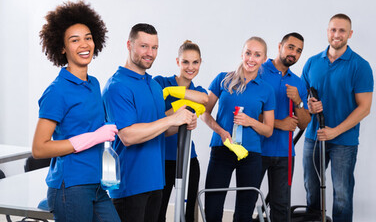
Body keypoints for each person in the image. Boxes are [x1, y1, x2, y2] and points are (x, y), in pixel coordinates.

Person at [32, 0, 121, 222]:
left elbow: (89, 124)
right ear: (62, 48)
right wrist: (92, 137)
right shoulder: (57, 92)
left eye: (88, 37)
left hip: (97, 184)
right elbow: (39, 149)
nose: (84, 44)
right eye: (75, 40)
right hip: (71, 187)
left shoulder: (94, 84)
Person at [103, 23, 197, 222]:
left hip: (156, 181)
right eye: (144, 46)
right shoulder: (117, 86)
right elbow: (127, 136)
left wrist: (181, 123)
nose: (150, 53)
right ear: (129, 45)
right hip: (130, 185)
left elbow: (159, 131)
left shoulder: (153, 86)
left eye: (154, 48)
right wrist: (171, 118)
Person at [301, 13, 374, 222]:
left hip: (344, 141)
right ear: (327, 32)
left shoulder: (360, 66)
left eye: (342, 30)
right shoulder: (312, 62)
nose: (337, 34)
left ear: (350, 34)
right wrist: (309, 105)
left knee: (342, 195)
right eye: (333, 29)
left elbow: (364, 108)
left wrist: (335, 131)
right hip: (313, 138)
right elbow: (302, 98)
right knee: (312, 190)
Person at [201, 37, 276, 222]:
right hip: (222, 149)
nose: (251, 58)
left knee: (244, 212)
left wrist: (251, 121)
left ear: (264, 59)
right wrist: (220, 131)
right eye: (248, 53)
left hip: (250, 154)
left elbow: (268, 130)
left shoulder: (267, 90)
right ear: (242, 54)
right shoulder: (222, 79)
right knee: (212, 209)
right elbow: (204, 113)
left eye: (257, 55)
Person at [154, 40, 209, 222]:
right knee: (158, 211)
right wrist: (176, 112)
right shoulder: (160, 82)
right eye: (185, 62)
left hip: (187, 158)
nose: (190, 67)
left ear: (200, 62)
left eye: (195, 62)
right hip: (162, 158)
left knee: (189, 212)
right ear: (178, 62)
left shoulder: (197, 90)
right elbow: (155, 119)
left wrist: (173, 93)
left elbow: (204, 99)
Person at [258, 32, 311, 222]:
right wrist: (280, 124)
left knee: (281, 207)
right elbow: (246, 112)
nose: (294, 53)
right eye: (290, 47)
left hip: (285, 154)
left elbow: (304, 123)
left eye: (299, 51)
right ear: (279, 46)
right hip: (256, 149)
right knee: (247, 200)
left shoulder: (298, 83)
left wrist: (298, 102)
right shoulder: (258, 71)